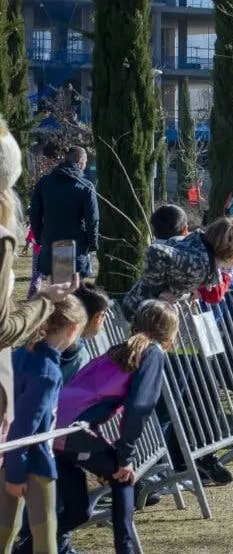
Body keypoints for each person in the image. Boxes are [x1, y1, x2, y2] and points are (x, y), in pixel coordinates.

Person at [52, 301, 179, 554]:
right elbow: (140, 405)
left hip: (54, 429)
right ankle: (126, 549)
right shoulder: (151, 353)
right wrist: (126, 455)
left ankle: (30, 543)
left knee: (77, 512)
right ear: (169, 333)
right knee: (123, 479)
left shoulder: (120, 350)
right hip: (74, 431)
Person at [0, 116, 80, 443]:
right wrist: (46, 299)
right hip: (66, 251)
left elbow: (35, 215)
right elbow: (3, 328)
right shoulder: (2, 238)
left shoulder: (44, 185)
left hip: (46, 246)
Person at [0, 298, 86, 554]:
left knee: (4, 526)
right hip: (35, 461)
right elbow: (24, 427)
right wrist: (16, 475)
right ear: (71, 330)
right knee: (45, 529)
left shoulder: (17, 355)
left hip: (8, 457)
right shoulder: (48, 371)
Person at [119, 217, 233, 322]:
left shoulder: (198, 244)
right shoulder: (200, 266)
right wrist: (158, 292)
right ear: (230, 251)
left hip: (144, 310)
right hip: (140, 312)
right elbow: (156, 252)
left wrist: (190, 289)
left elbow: (173, 243)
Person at [29, 146, 98, 287]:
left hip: (51, 242)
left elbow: (35, 213)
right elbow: (92, 220)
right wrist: (93, 243)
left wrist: (39, 237)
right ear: (80, 163)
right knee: (75, 293)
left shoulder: (44, 183)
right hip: (76, 246)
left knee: (54, 291)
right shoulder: (86, 186)